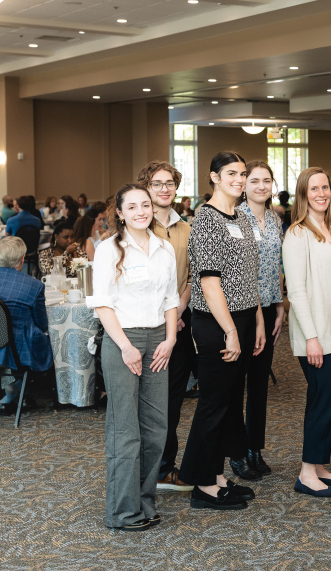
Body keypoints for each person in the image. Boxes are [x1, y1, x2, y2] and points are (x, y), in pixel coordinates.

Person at [87, 184, 178, 531]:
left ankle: (144, 502)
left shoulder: (164, 248)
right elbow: (103, 303)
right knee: (126, 431)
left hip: (158, 341)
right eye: (133, 206)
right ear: (121, 213)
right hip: (121, 340)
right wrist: (125, 346)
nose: (141, 211)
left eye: (146, 205)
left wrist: (169, 339)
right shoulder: (109, 250)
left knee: (156, 429)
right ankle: (122, 512)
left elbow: (171, 299)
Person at [178, 151, 265, 511]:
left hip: (243, 318)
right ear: (214, 177)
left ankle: (216, 476)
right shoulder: (206, 219)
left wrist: (257, 321)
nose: (240, 179)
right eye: (231, 173)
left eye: (243, 173)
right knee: (214, 404)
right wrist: (230, 330)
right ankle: (201, 484)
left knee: (230, 402)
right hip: (218, 322)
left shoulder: (242, 218)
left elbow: (248, 277)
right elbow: (210, 284)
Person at [283, 167, 331, 497]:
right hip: (314, 329)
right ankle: (306, 473)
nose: (321, 193)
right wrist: (312, 337)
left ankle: (318, 465)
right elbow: (297, 291)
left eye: (325, 187)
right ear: (303, 194)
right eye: (313, 188)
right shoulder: (297, 234)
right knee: (323, 398)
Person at [136, 161, 195, 493]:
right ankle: (145, 466)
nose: (164, 189)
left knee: (173, 401)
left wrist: (179, 307)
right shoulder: (137, 226)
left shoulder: (186, 228)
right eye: (157, 183)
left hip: (181, 325)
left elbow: (190, 278)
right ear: (147, 187)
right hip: (147, 326)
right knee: (148, 401)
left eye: (170, 183)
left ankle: (164, 467)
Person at [236, 161, 285, 478]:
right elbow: (241, 273)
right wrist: (257, 319)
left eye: (267, 180)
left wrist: (281, 305)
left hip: (269, 307)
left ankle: (255, 447)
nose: (261, 186)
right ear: (243, 184)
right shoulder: (235, 218)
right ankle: (237, 452)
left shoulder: (276, 218)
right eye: (254, 180)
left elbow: (278, 265)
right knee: (234, 385)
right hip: (241, 311)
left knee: (258, 385)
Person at [0, 237, 53, 413]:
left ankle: (13, 391)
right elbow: (42, 323)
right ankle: (21, 391)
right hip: (19, 349)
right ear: (22, 259)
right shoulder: (34, 285)